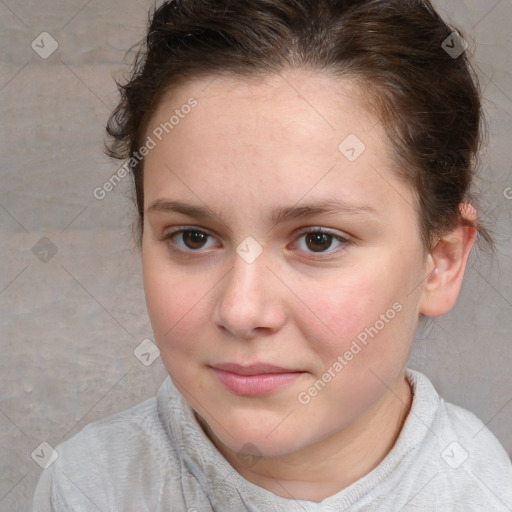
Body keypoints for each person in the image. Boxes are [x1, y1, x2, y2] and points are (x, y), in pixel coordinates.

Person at [32, 0, 512, 510]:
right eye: (193, 237)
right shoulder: (84, 488)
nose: (241, 311)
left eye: (318, 240)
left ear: (440, 261)